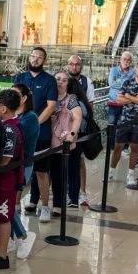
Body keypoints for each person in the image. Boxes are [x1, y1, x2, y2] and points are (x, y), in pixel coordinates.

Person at [14, 47, 58, 222]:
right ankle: (15, 205)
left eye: (40, 57)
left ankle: (45, 206)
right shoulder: (20, 78)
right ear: (29, 58)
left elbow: (51, 105)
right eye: (33, 56)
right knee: (17, 169)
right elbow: (13, 102)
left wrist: (34, 123)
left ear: (44, 60)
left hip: (42, 133)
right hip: (20, 132)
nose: (36, 59)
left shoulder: (49, 80)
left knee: (41, 171)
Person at [0, 89, 25, 269]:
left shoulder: (10, 129)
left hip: (5, 181)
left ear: (4, 109)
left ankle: (2, 255)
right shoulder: (3, 125)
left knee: (2, 217)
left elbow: (6, 159)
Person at [108, 58, 138, 186]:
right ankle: (111, 171)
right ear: (135, 69)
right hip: (124, 121)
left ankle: (131, 175)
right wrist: (136, 98)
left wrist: (128, 97)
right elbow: (118, 99)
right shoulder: (127, 82)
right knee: (118, 147)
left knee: (134, 149)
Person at [50, 73, 89, 211]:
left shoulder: (72, 99)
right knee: (56, 173)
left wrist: (72, 133)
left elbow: (78, 117)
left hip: (70, 141)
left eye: (64, 80)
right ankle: (59, 201)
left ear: (68, 84)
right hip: (52, 141)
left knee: (72, 169)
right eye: (57, 79)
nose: (60, 82)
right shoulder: (49, 97)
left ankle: (72, 198)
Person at [10, 83, 40, 259]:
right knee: (6, 203)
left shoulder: (30, 118)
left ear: (24, 98)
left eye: (14, 94)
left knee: (9, 202)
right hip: (11, 165)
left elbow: (18, 139)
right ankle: (10, 239)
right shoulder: (15, 115)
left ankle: (22, 235)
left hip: (22, 165)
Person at [67, 54, 94, 206]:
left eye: (77, 64)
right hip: (63, 130)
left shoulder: (86, 82)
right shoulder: (62, 79)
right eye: (71, 64)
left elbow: (90, 106)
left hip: (80, 130)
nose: (74, 67)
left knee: (79, 161)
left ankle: (81, 192)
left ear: (81, 66)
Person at [106, 52, 135, 126]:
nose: (126, 61)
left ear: (131, 61)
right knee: (111, 126)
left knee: (124, 127)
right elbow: (111, 83)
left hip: (126, 104)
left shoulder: (133, 72)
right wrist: (126, 83)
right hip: (113, 103)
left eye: (128, 60)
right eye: (124, 59)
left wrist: (119, 82)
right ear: (120, 59)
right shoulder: (114, 70)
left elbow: (132, 86)